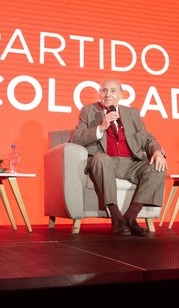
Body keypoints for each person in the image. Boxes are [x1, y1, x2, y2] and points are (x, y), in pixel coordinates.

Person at [70, 79, 167, 236]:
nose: (108, 94)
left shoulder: (132, 113)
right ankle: (116, 218)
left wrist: (157, 152)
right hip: (104, 161)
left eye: (113, 91)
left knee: (157, 166)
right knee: (103, 159)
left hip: (130, 163)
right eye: (104, 90)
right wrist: (101, 127)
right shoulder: (88, 110)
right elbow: (76, 137)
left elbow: (147, 137)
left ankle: (130, 217)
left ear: (120, 95)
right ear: (100, 94)